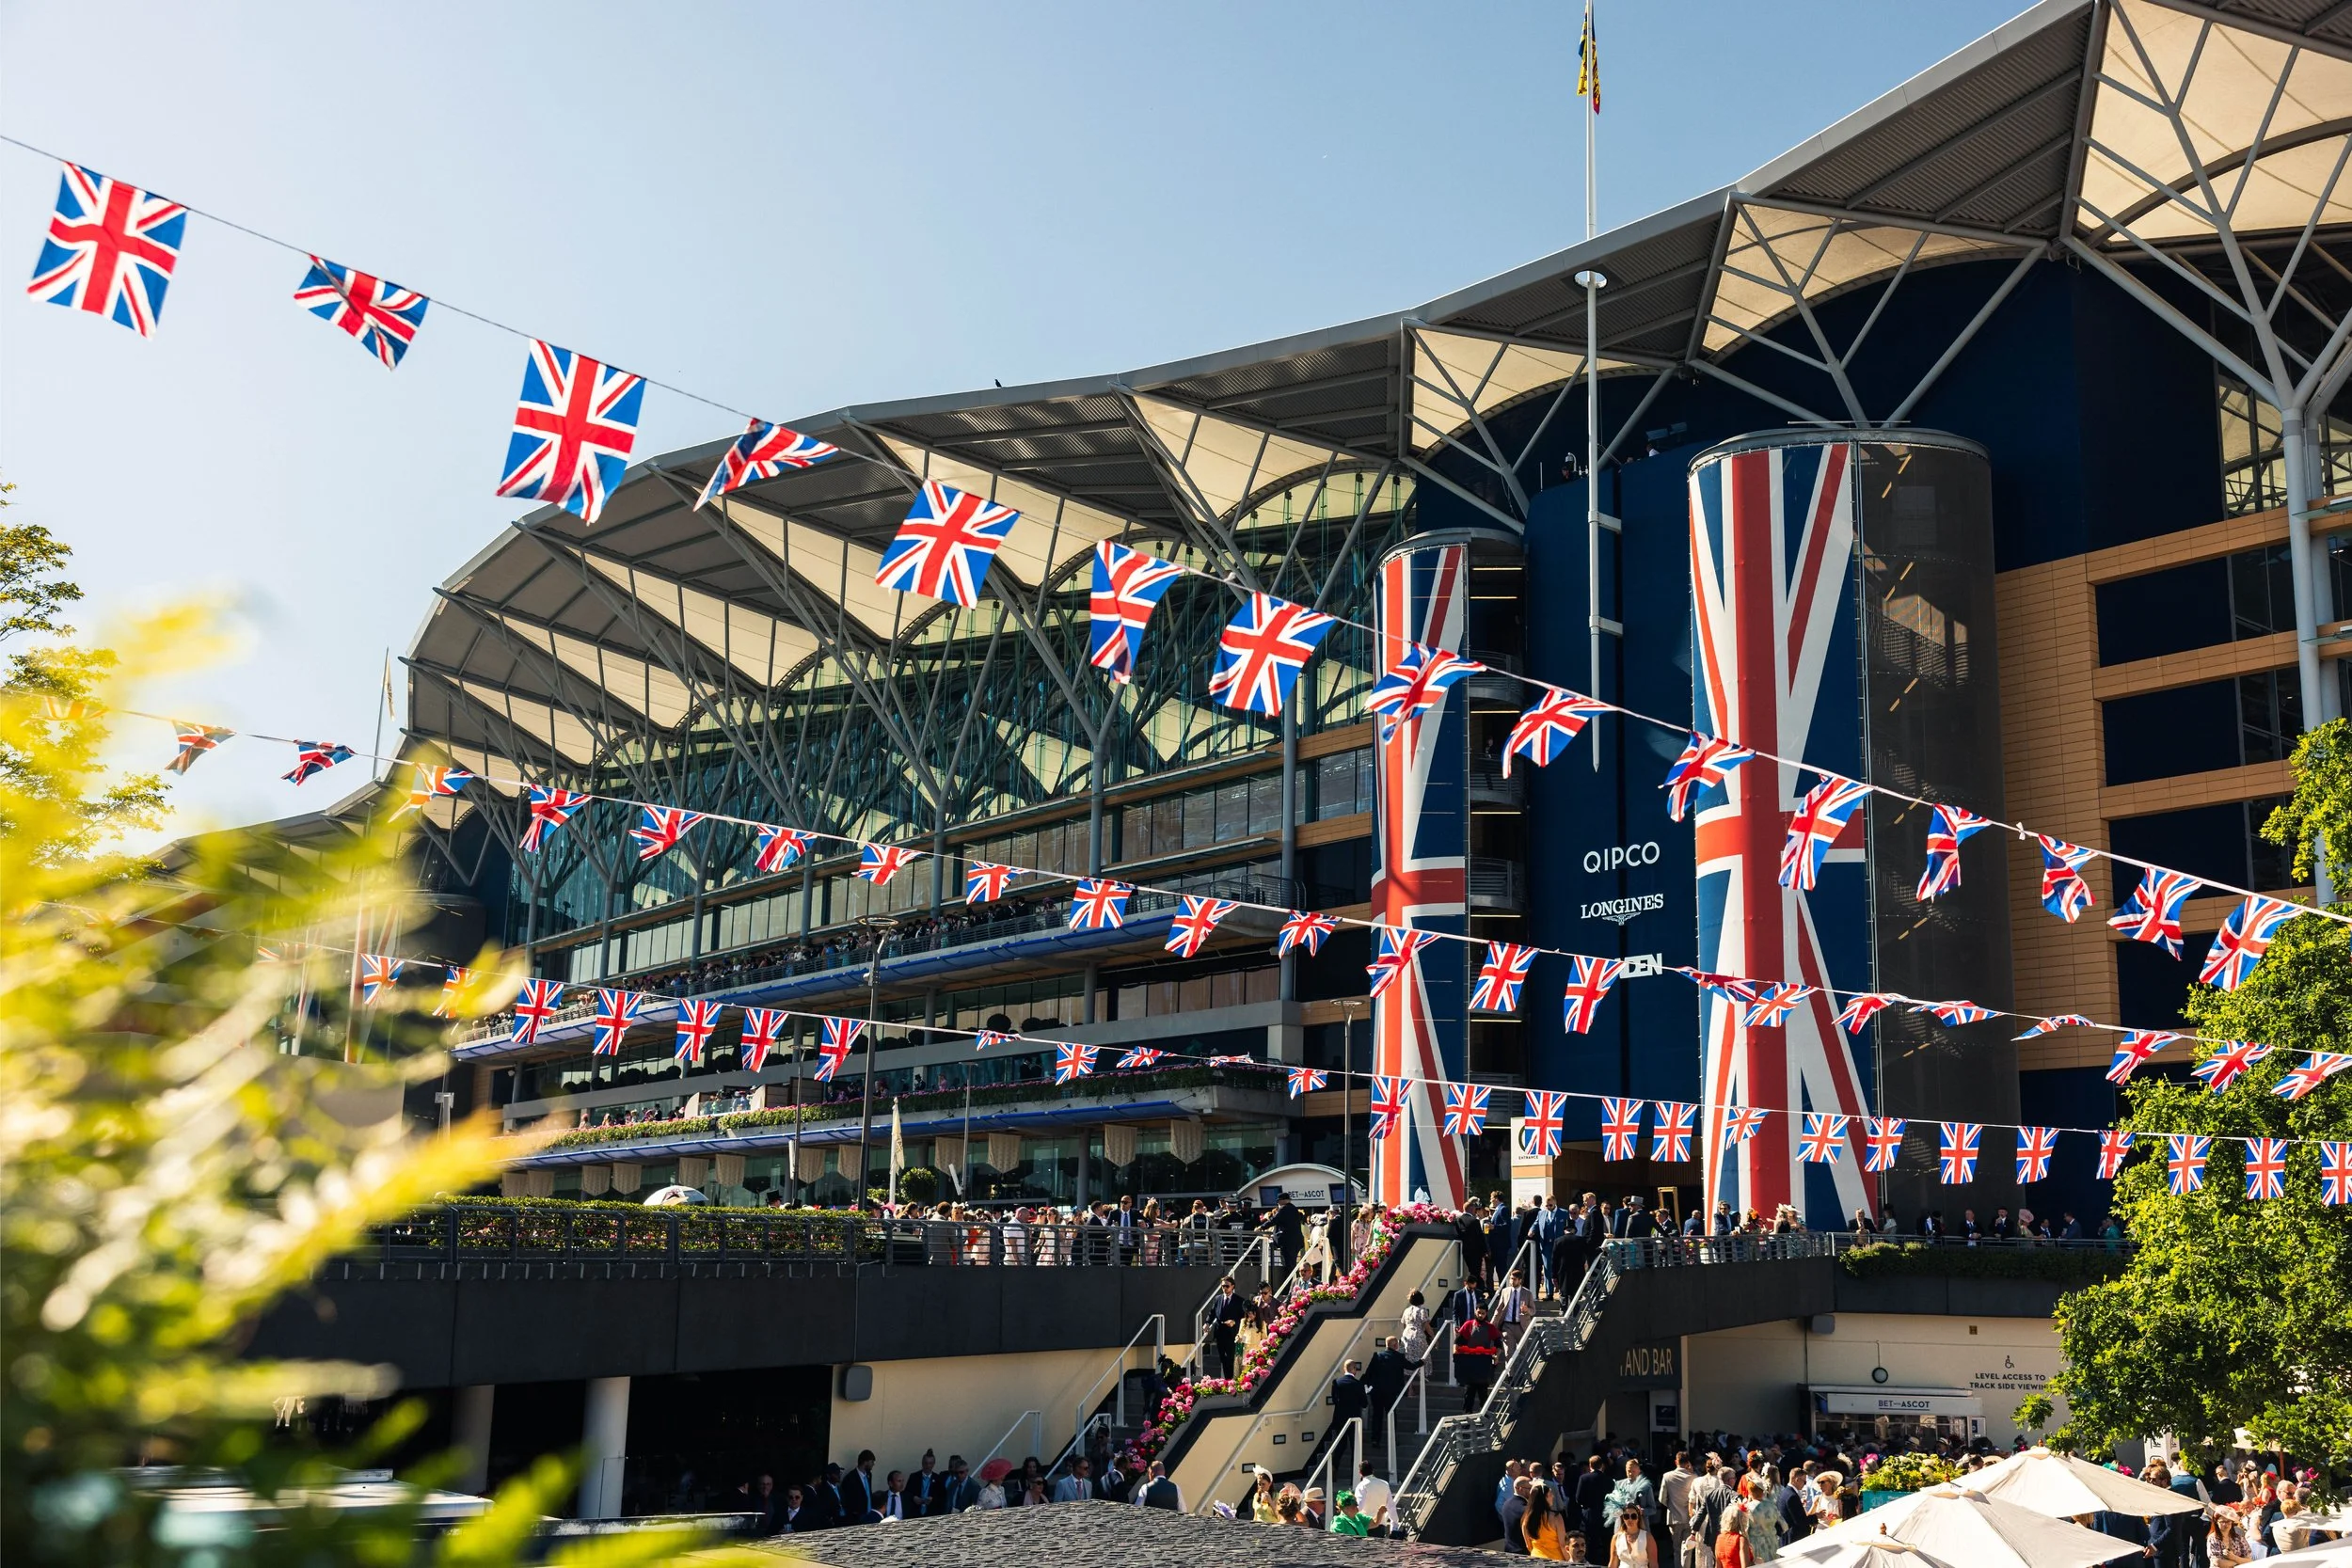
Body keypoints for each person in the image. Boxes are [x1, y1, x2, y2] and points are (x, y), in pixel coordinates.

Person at [1366, 1336, 1410, 1448]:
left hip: (1376, 1391)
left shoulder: (1377, 1356)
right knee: (1391, 1415)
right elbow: (1410, 1366)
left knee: (1377, 1415)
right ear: (1395, 1345)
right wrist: (1421, 1362)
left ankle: (1375, 1440)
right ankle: (1393, 1439)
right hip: (1390, 1392)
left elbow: (1369, 1373)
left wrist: (1366, 1386)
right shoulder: (1398, 1357)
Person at [1659, 1451, 1695, 1565]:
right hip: (1690, 1517)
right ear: (1688, 1462)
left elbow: (1661, 1498)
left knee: (1677, 1549)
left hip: (1674, 1517)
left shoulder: (1667, 1476)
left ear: (1676, 1462)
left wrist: (1671, 1505)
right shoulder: (1694, 1477)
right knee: (1688, 1549)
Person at [1525, 1479, 1574, 1560]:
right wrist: (1569, 1560)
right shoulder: (1556, 1517)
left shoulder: (1526, 1518)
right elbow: (1562, 1544)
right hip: (1555, 1559)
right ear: (1544, 1498)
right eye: (1550, 1494)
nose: (1553, 1496)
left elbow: (1528, 1545)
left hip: (1535, 1558)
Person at [1210, 1277, 1246, 1377]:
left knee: (1230, 1359)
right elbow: (1212, 1312)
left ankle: (1231, 1381)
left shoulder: (1239, 1301)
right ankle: (1228, 1380)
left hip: (1232, 1334)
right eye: (1223, 1286)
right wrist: (1207, 1323)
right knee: (1223, 1359)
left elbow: (1243, 1318)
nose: (1224, 1288)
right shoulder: (1218, 1299)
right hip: (1220, 1332)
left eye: (1227, 1286)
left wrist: (1234, 1322)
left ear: (1232, 1286)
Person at [1611, 1502, 1661, 1567]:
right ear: (1623, 1518)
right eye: (1626, 1516)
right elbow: (1612, 1564)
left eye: (1633, 1516)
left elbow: (1653, 1564)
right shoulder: (1616, 1538)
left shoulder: (1648, 1537)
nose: (1630, 1519)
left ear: (1638, 1518)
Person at [1357, 1461, 1393, 1537]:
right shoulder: (1385, 1483)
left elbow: (1359, 1507)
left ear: (1360, 1472)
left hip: (1366, 1524)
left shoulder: (1361, 1486)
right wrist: (1394, 1526)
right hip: (1381, 1524)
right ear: (1373, 1471)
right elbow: (1391, 1506)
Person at [1399, 1289, 1435, 1365]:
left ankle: (1409, 1375)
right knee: (1422, 1358)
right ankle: (1421, 1375)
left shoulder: (1406, 1310)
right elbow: (1427, 1326)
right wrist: (1433, 1338)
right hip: (1418, 1335)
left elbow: (1404, 1325)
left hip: (1406, 1335)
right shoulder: (1422, 1310)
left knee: (1408, 1358)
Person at [1502, 1474, 1534, 1556]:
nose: (1532, 1491)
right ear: (1520, 1489)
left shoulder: (1506, 1504)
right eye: (1530, 1489)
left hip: (1508, 1550)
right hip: (1523, 1553)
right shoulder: (1525, 1509)